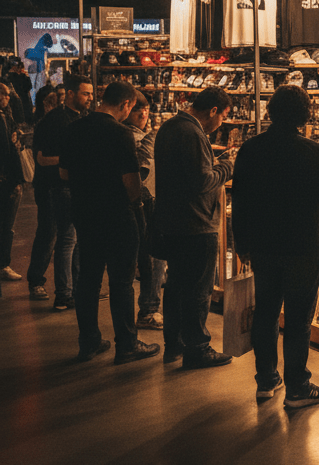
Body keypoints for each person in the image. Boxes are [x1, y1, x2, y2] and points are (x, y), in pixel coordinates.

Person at [232, 85, 319, 408]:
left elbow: (239, 201)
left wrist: (242, 243)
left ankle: (266, 381)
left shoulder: (250, 150)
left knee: (265, 312)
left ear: (270, 112)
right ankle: (297, 386)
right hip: (302, 245)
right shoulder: (311, 151)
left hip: (263, 246)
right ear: (305, 115)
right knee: (297, 319)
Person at [59, 81, 159, 363]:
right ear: (126, 105)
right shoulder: (120, 134)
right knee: (121, 281)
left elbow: (64, 174)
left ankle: (88, 341)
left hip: (84, 213)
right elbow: (132, 183)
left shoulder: (74, 128)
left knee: (88, 279)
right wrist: (137, 205)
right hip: (117, 215)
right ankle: (126, 344)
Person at [154, 87, 234, 369]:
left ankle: (174, 344)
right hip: (196, 224)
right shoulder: (191, 132)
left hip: (175, 222)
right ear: (213, 111)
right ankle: (197, 348)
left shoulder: (170, 127)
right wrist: (226, 166)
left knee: (176, 286)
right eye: (222, 117)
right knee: (198, 291)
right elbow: (202, 180)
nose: (221, 123)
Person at [26, 73, 93, 308]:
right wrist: (74, 160)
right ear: (71, 94)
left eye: (92, 94)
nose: (90, 98)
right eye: (86, 93)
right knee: (56, 237)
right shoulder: (55, 120)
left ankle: (72, 291)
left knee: (70, 240)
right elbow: (43, 159)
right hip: (53, 188)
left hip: (69, 187)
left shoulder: (79, 118)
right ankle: (53, 289)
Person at [124, 89, 164, 330]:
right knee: (153, 256)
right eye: (138, 109)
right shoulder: (133, 138)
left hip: (143, 202)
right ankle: (148, 309)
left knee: (149, 258)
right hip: (142, 203)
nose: (143, 113)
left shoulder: (141, 135)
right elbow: (140, 173)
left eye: (146, 108)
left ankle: (147, 308)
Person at [0, 83, 22, 289]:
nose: (8, 98)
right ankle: (3, 264)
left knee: (7, 226)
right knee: (6, 225)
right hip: (6, 180)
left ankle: (3, 264)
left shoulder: (7, 118)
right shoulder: (3, 119)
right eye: (7, 95)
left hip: (8, 179)